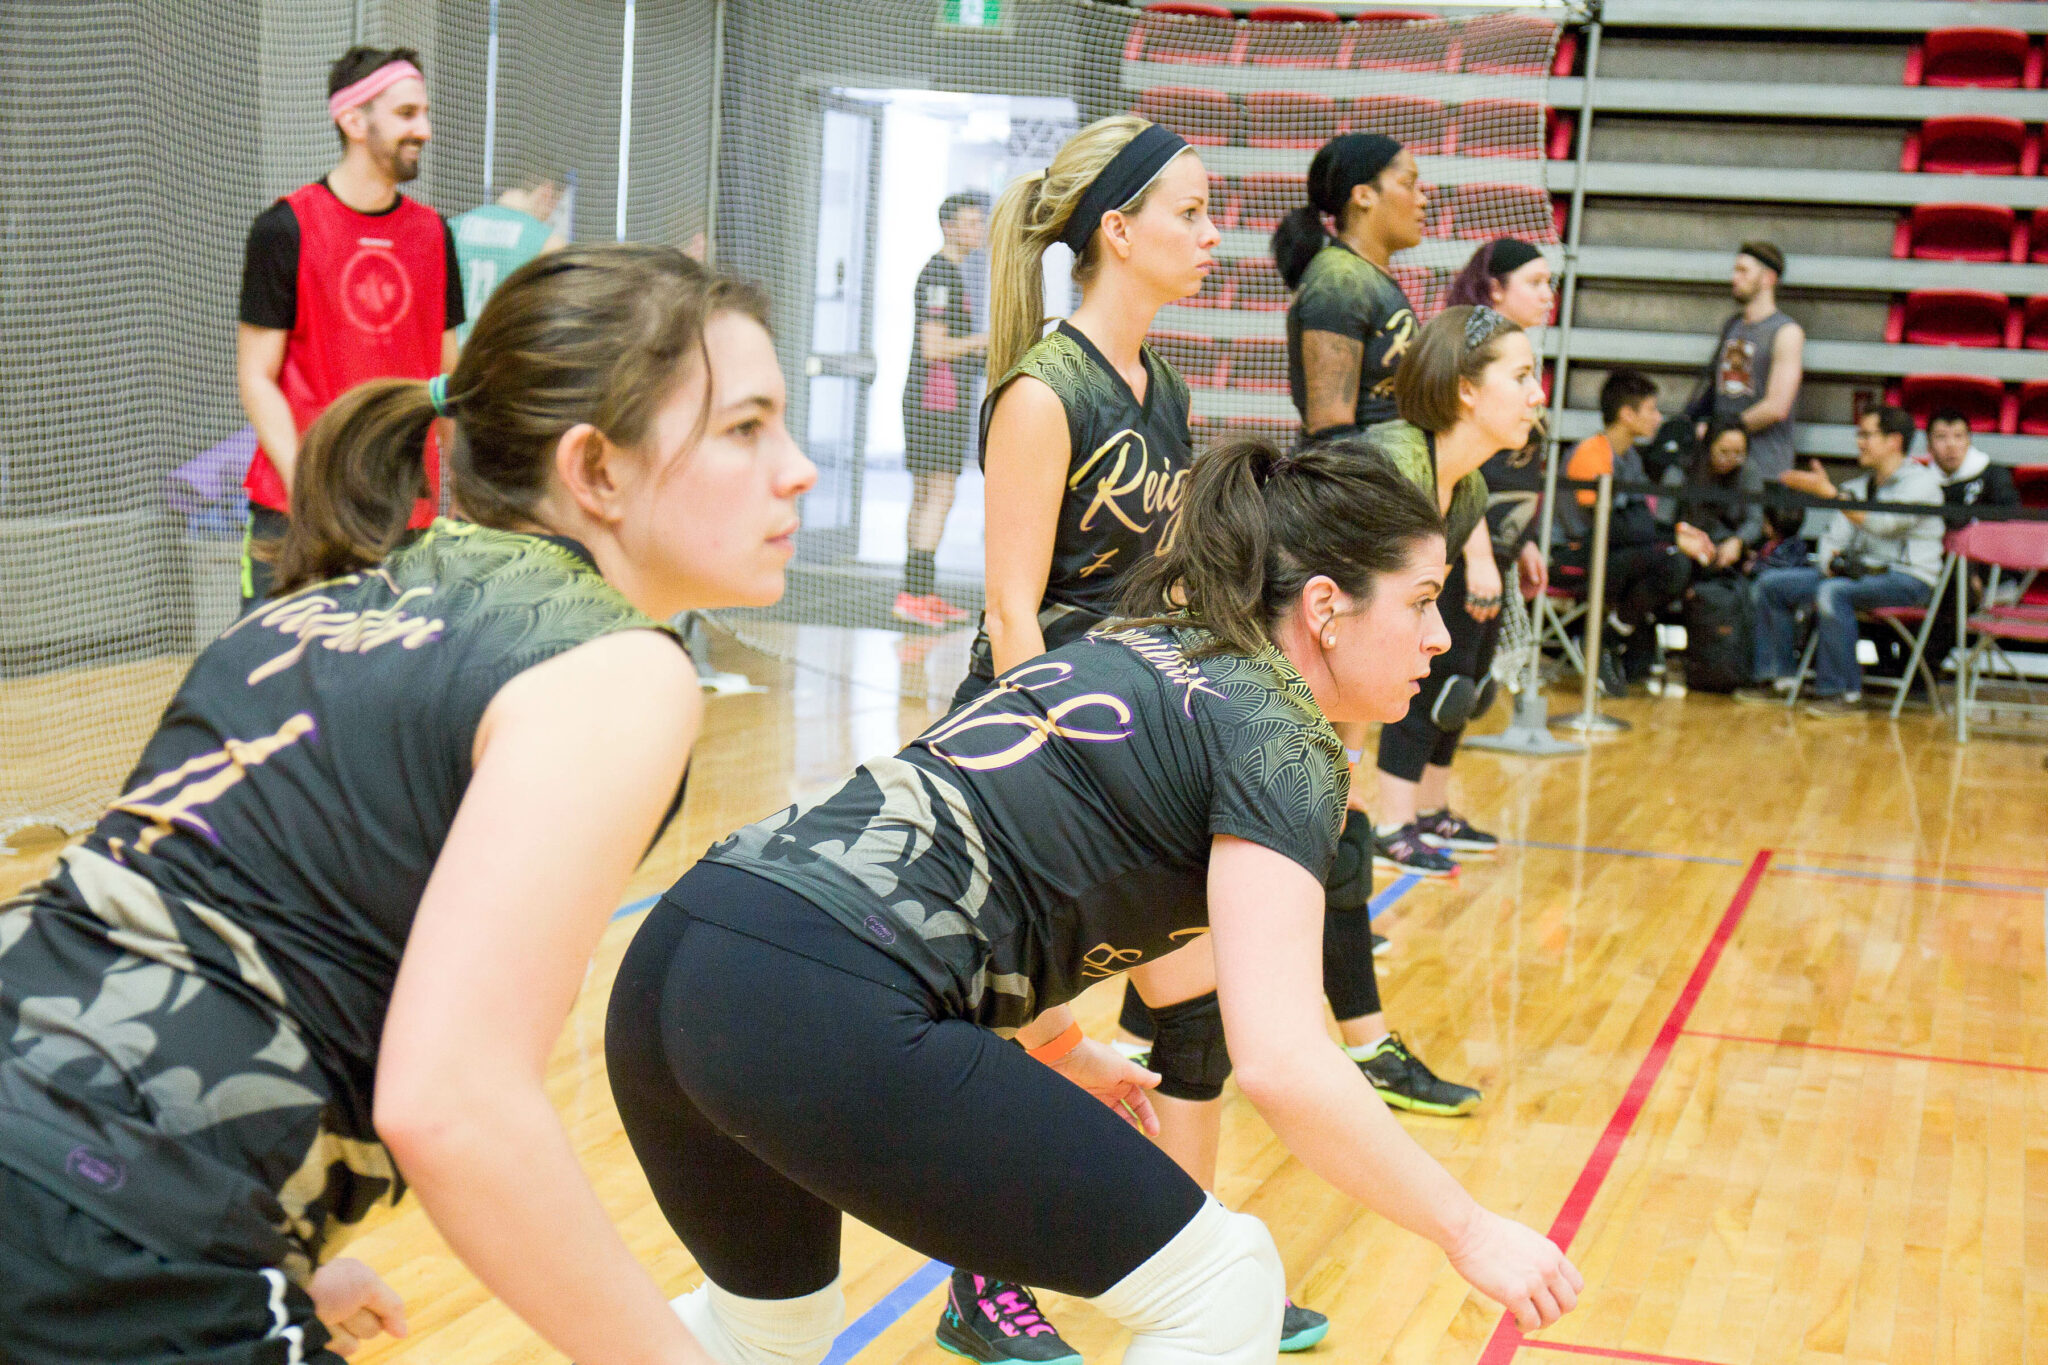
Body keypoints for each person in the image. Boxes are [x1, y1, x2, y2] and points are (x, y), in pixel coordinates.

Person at [0, 244, 817, 1365]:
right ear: (598, 470)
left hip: (86, 1188)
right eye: (745, 428)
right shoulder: (617, 669)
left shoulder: (320, 604)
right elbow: (452, 1108)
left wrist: (265, 1249)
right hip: (114, 1219)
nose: (798, 468)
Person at [605, 436, 1583, 1365]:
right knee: (1224, 1284)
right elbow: (1282, 1061)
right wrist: (1466, 1228)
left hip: (680, 956)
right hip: (818, 996)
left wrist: (1060, 1045)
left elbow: (1019, 845)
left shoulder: (1139, 645)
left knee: (764, 1333)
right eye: (1417, 602)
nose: (1438, 634)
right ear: (1324, 607)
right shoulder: (1278, 743)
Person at [236, 46, 465, 611]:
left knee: (388, 691)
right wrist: (308, 493)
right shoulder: (284, 228)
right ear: (354, 120)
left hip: (402, 514)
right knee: (270, 681)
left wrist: (461, 497)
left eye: (425, 113)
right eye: (408, 114)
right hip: (297, 513)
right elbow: (256, 376)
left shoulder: (435, 234)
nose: (426, 130)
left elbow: (448, 377)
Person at [1366, 307, 1544, 875]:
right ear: (1466, 390)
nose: (1538, 395)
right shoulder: (1390, 466)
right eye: (1520, 378)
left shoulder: (1466, 494)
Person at [1737, 405, 1944, 717]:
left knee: (1832, 593)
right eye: (1859, 434)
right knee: (1772, 585)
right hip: (1855, 576)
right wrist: (1829, 562)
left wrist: (1832, 495)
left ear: (1894, 441)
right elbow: (1833, 540)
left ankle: (1842, 694)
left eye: (1867, 435)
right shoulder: (1857, 487)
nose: (1859, 441)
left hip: (1908, 580)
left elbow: (1885, 524)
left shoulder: (1922, 483)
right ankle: (1777, 679)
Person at [1441, 238, 1554, 658]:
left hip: (1497, 547)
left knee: (1472, 692)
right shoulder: (1470, 357)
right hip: (1463, 548)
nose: (1547, 294)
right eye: (1536, 282)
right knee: (1441, 698)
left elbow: (1509, 467)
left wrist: (1522, 540)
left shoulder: (1514, 355)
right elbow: (1454, 463)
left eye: (1550, 282)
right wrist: (1480, 555)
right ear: (1495, 289)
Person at [1277, 132, 1425, 441]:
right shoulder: (1339, 279)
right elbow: (1330, 428)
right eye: (1408, 185)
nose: (1422, 199)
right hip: (1352, 485)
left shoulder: (1364, 275)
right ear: (1363, 196)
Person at [894, 190, 991, 628]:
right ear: (949, 226)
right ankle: (914, 594)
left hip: (939, 401)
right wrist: (986, 340)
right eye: (971, 223)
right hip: (936, 402)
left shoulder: (950, 273)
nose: (980, 231)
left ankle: (918, 593)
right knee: (939, 493)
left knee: (927, 493)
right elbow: (933, 347)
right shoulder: (939, 276)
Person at [1560, 370, 1690, 693]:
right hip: (1574, 553)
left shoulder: (1630, 458)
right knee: (1668, 560)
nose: (1659, 418)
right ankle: (1605, 641)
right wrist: (1670, 539)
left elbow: (1641, 522)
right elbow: (1608, 525)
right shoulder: (1592, 452)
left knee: (1676, 561)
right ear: (1627, 414)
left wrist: (1678, 535)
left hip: (1612, 553)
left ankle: (1607, 639)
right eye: (1652, 410)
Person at [1683, 242, 1804, 482]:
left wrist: (1722, 432)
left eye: (1743, 271)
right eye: (1735, 270)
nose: (1734, 277)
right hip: (1720, 467)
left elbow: (1777, 407)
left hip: (1763, 465)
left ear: (1768, 277)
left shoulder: (1786, 332)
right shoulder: (1733, 325)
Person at [451, 167, 569, 344]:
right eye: (555, 206)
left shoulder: (452, 228)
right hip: (506, 364)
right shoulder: (548, 243)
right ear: (547, 192)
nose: (549, 216)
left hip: (454, 364)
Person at [1671, 420, 1767, 575]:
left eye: (1739, 453)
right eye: (1723, 452)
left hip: (1728, 547)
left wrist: (1738, 541)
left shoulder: (1748, 470)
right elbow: (1662, 521)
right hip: (1685, 546)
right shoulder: (1681, 470)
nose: (1730, 459)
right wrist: (1684, 539)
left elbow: (1755, 519)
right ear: (1708, 447)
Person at [1926, 408, 2018, 512]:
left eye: (1958, 436)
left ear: (1969, 441)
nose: (1951, 444)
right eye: (1941, 437)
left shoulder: (1996, 476)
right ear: (1929, 446)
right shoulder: (1921, 482)